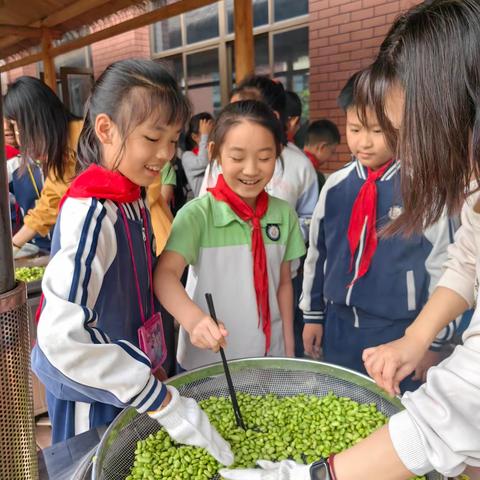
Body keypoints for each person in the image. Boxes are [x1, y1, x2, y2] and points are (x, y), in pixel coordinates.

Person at [220, 1, 480, 478]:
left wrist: (316, 474)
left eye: (407, 132)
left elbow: (466, 400)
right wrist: (414, 339)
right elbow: (469, 257)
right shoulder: (340, 187)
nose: (413, 152)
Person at [30, 59, 234, 468]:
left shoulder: (132, 196)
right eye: (152, 138)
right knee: (98, 464)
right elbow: (61, 336)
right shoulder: (92, 212)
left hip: (133, 378)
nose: (164, 154)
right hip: (97, 391)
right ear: (106, 129)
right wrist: (158, 399)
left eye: (173, 140)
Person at [300, 70, 457, 393]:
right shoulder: (335, 186)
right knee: (338, 407)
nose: (364, 141)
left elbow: (446, 266)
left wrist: (434, 341)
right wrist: (313, 316)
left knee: (393, 416)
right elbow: (318, 254)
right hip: (339, 327)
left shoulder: (424, 189)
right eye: (355, 129)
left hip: (401, 332)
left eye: (378, 130)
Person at [155, 100, 306, 371]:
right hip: (210, 361)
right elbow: (164, 275)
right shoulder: (197, 215)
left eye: (264, 158)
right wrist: (193, 321)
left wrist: (289, 348)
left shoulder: (284, 214)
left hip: (269, 358)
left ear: (278, 152)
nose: (251, 170)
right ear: (214, 152)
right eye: (237, 158)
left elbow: (284, 284)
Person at [202, 75, 319, 242]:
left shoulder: (301, 165)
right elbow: (204, 211)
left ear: (273, 116)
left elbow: (309, 218)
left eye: (264, 158)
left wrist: (280, 237)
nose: (250, 170)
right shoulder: (220, 160)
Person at [4, 77, 83, 257]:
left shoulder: (85, 141)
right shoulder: (60, 149)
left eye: (17, 127)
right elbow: (48, 205)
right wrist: (13, 248)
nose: (19, 139)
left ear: (36, 118)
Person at [303, 119, 341, 191]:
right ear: (322, 147)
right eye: (332, 152)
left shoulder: (289, 162)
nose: (331, 157)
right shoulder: (316, 177)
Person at [182, 112, 213, 197]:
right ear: (195, 137)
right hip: (204, 206)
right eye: (208, 134)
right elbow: (203, 162)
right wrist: (205, 136)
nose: (213, 137)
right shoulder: (187, 156)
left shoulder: (217, 152)